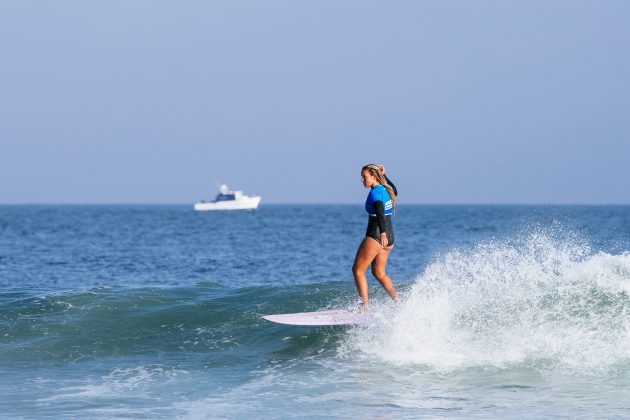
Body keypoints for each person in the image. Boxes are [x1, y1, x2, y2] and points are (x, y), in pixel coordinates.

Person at [352, 164, 398, 310]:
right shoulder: (386, 189)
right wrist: (385, 176)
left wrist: (382, 232)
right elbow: (395, 191)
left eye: (364, 176)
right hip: (390, 239)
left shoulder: (375, 193)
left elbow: (379, 210)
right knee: (379, 272)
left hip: (377, 236)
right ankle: (398, 302)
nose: (362, 179)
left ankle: (364, 306)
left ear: (373, 176)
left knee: (358, 270)